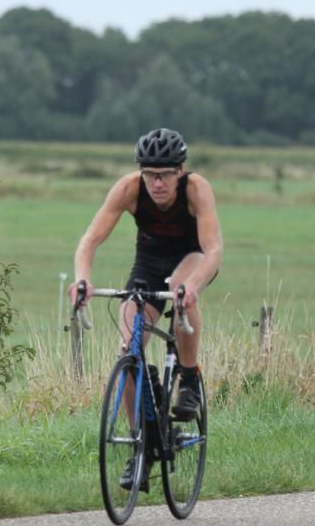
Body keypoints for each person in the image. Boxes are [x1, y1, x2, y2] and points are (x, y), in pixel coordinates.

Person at [70, 127, 223, 489]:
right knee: (128, 351)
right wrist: (82, 279)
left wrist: (194, 286)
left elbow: (214, 250)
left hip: (193, 260)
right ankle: (140, 447)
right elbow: (90, 240)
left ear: (180, 171)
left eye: (166, 174)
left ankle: (187, 378)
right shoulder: (128, 188)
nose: (157, 182)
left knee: (179, 288)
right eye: (150, 173)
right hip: (148, 265)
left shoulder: (197, 189)